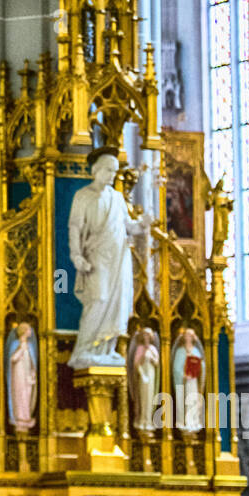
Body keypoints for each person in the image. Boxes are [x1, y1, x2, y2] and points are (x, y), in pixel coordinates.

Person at [68, 147, 150, 368]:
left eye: (115, 171)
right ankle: (85, 349)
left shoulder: (117, 197)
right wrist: (76, 256)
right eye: (108, 170)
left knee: (118, 304)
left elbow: (128, 227)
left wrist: (143, 224)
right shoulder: (82, 196)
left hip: (118, 260)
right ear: (96, 170)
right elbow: (75, 227)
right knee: (98, 300)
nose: (112, 175)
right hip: (96, 259)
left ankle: (106, 349)